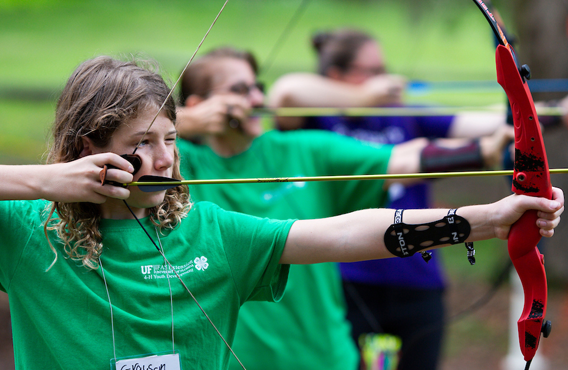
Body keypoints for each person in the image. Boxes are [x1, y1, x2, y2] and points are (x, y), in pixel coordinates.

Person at [0, 55, 565, 370]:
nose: (165, 159)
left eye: (170, 139)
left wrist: (485, 220)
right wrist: (46, 181)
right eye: (142, 142)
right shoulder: (26, 232)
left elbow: (339, 235)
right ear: (90, 146)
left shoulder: (206, 229)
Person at [267, 28, 568, 370]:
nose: (384, 79)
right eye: (371, 71)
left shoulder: (404, 113)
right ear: (336, 75)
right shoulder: (318, 121)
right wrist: (362, 95)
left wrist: (561, 112)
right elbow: (285, 93)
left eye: (384, 70)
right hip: (350, 280)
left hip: (417, 275)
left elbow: (490, 122)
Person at [175, 47, 515, 370]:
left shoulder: (301, 150)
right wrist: (186, 122)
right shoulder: (179, 165)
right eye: (240, 90)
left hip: (325, 358)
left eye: (256, 87)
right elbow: (133, 143)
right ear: (200, 104)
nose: (257, 100)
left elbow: (400, 159)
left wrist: (485, 151)